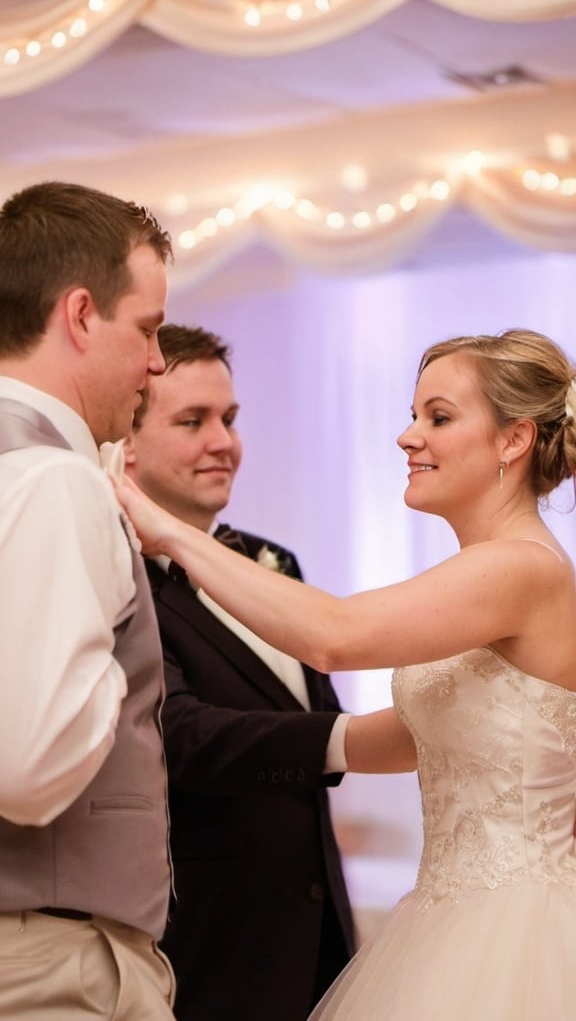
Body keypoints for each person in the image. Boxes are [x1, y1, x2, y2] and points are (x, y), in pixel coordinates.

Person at [115, 326, 576, 1020]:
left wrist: (167, 531)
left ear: (513, 440)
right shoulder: (491, 571)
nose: (407, 437)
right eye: (413, 414)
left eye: (439, 418)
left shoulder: (521, 567)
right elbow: (429, 735)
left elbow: (334, 637)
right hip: (446, 909)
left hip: (513, 922)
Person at [122, 323, 356, 1021]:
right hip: (205, 949)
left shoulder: (273, 562)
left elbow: (309, 696)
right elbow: (181, 734)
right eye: (192, 421)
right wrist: (352, 741)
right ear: (125, 445)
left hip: (316, 940)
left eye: (229, 418)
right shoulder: (117, 579)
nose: (224, 442)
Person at [0, 180, 177, 1019]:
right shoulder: (54, 478)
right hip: (50, 957)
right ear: (78, 315)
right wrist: (106, 613)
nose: (156, 363)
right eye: (146, 329)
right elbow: (29, 770)